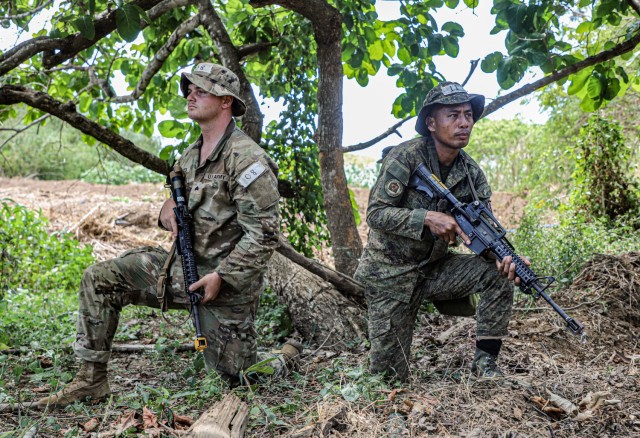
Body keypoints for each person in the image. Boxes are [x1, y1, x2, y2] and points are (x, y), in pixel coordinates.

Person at [38, 63, 301, 408]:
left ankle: (285, 355)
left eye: (201, 90)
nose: (190, 94)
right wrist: (166, 213)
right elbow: (177, 209)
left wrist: (221, 276)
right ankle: (91, 380)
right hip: (180, 271)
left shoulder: (248, 159)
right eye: (189, 89)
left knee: (237, 378)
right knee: (99, 279)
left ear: (225, 101)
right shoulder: (189, 157)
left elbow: (264, 236)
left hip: (225, 287)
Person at [354, 82, 528, 382]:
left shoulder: (473, 175)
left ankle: (485, 365)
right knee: (388, 379)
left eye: (468, 115)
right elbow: (376, 214)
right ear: (431, 124)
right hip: (390, 275)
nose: (464, 123)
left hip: (434, 270)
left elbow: (483, 235)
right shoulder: (405, 156)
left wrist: (505, 256)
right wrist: (426, 218)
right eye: (453, 115)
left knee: (498, 273)